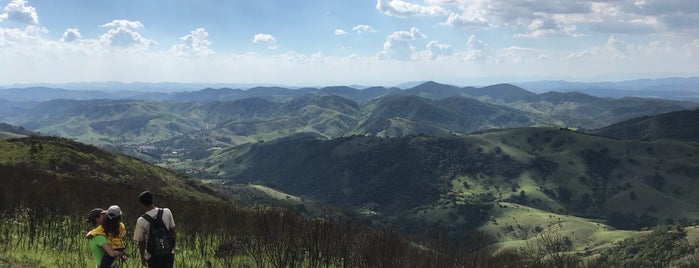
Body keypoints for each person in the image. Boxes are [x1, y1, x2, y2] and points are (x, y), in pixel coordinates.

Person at [133, 191, 176, 267]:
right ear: (153, 198)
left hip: (152, 255)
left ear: (142, 204)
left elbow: (141, 241)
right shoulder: (167, 211)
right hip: (168, 252)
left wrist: (142, 256)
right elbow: (173, 231)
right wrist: (173, 248)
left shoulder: (141, 220)